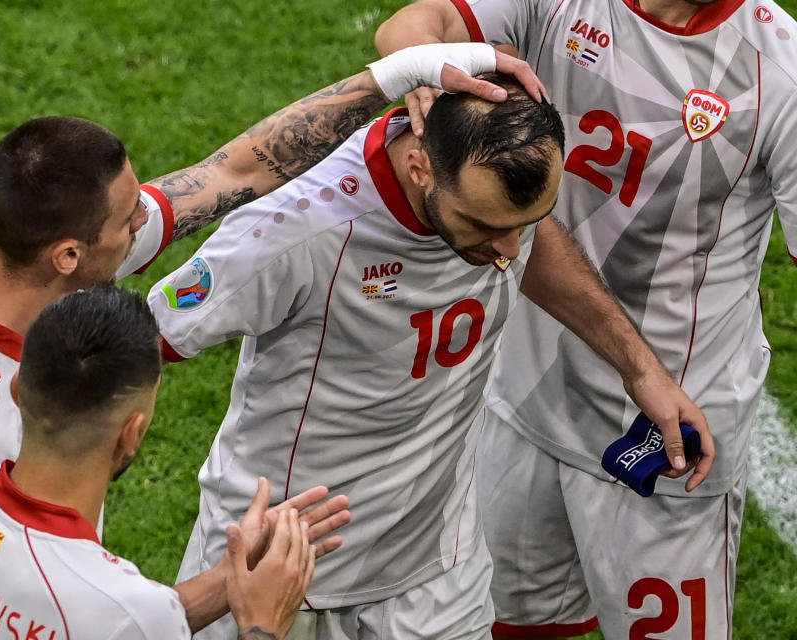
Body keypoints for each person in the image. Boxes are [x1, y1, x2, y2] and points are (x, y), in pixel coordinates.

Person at [0, 42, 538, 640]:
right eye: (130, 218)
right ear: (69, 255)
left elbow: (232, 173)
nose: (150, 215)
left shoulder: (8, 271)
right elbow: (14, 606)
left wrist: (395, 75)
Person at [148, 77, 712, 640]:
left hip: (438, 574)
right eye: (486, 227)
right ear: (420, 168)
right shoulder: (299, 229)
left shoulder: (497, 212)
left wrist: (641, 368)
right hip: (275, 572)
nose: (509, 252)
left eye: (527, 224)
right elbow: (138, 344)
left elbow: (528, 243)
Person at [376, 1, 797, 637]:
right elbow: (414, 23)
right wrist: (426, 74)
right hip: (522, 393)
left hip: (671, 436)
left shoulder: (781, 70)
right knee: (506, 625)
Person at [0, 285, 325, 640]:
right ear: (131, 432)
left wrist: (228, 575)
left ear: (18, 388)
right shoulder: (123, 611)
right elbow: (117, 618)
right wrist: (262, 624)